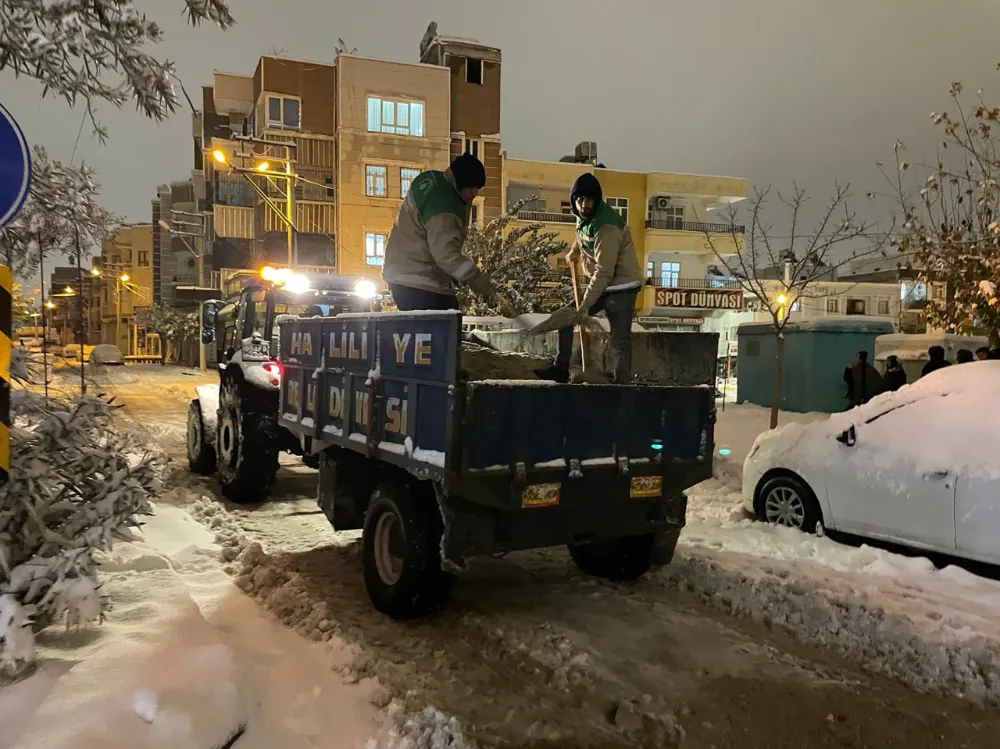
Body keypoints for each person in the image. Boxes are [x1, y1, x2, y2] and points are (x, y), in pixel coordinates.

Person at [534, 173, 642, 384]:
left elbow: (604, 272)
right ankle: (561, 369)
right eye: (580, 199)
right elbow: (582, 235)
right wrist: (574, 251)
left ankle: (622, 385)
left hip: (622, 286)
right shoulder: (583, 215)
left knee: (620, 339)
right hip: (603, 284)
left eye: (589, 200)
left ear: (597, 200)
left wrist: (584, 307)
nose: (584, 204)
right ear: (574, 200)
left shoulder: (606, 226)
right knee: (566, 318)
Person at [382, 154, 497, 312]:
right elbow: (446, 255)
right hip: (420, 279)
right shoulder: (445, 205)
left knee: (443, 318)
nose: (475, 192)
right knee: (447, 321)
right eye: (472, 187)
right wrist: (478, 281)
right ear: (460, 182)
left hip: (400, 273)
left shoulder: (430, 180)